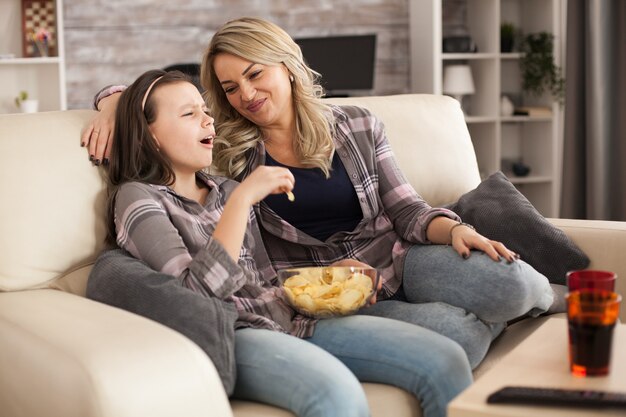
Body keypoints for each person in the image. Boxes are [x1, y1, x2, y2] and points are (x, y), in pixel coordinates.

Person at [85, 15, 558, 376]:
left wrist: (456, 228)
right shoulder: (227, 155)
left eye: (255, 74)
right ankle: (492, 319)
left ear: (287, 66)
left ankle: (559, 300)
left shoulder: (357, 125)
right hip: (333, 291)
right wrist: (110, 102)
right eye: (230, 88)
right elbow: (158, 109)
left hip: (400, 256)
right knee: (458, 338)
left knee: (512, 284)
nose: (245, 95)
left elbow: (407, 210)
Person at [97, 68, 473, 417]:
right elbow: (194, 300)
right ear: (150, 135)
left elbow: (263, 279)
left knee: (446, 361)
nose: (209, 119)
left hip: (290, 319)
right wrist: (243, 200)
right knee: (336, 394)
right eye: (189, 113)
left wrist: (327, 276)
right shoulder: (139, 198)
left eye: (204, 108)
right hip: (233, 334)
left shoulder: (224, 188)